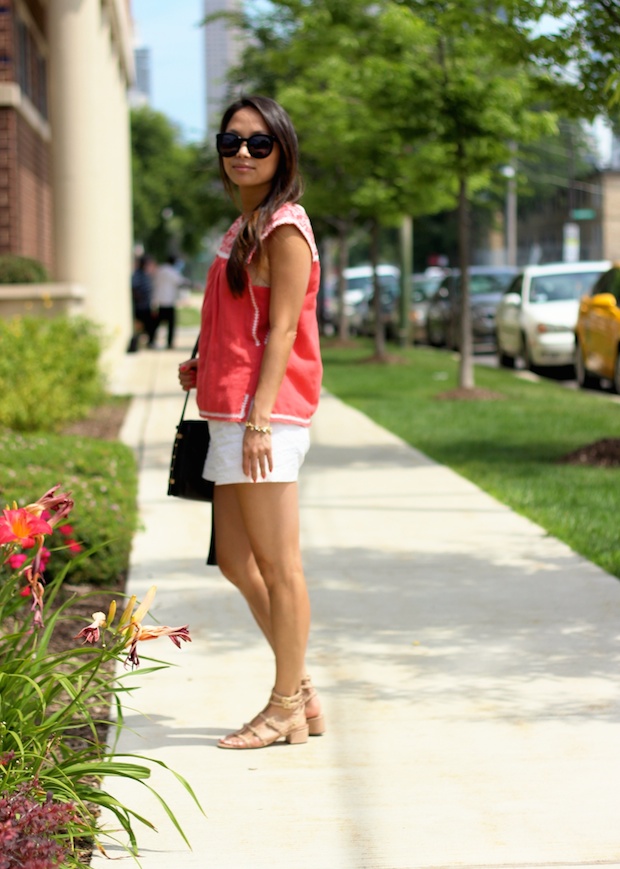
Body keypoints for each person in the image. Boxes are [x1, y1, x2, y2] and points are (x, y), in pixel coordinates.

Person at [178, 95, 324, 750]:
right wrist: (203, 361)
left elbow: (286, 327)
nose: (241, 152)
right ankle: (302, 689)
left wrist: (262, 414)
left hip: (262, 416)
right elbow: (244, 319)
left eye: (257, 143)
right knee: (237, 560)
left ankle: (285, 704)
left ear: (281, 150)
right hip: (229, 409)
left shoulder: (285, 227)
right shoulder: (243, 226)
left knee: (278, 563)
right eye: (231, 141)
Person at [152, 255, 187, 349]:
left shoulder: (160, 270)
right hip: (169, 301)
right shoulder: (173, 272)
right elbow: (181, 282)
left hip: (160, 301)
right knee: (171, 325)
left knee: (157, 323)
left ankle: (152, 340)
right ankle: (169, 343)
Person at [128, 254, 157, 351]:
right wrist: (139, 298)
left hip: (146, 305)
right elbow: (134, 288)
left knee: (151, 325)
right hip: (141, 306)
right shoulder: (138, 275)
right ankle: (137, 344)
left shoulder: (146, 275)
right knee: (141, 326)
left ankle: (149, 342)